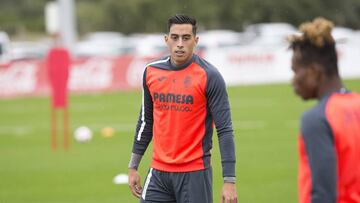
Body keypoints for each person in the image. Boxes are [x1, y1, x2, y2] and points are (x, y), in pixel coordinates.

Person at [127, 14, 238, 203]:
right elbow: (146, 121)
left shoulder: (210, 76)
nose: (180, 43)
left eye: (186, 38)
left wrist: (229, 180)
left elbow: (225, 130)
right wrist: (133, 166)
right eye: (175, 37)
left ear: (195, 40)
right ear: (166, 39)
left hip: (195, 174)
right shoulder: (151, 72)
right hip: (158, 174)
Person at [288, 17, 360, 203]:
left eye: (296, 71)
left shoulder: (318, 119)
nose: (293, 81)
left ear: (314, 72)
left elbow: (324, 194)